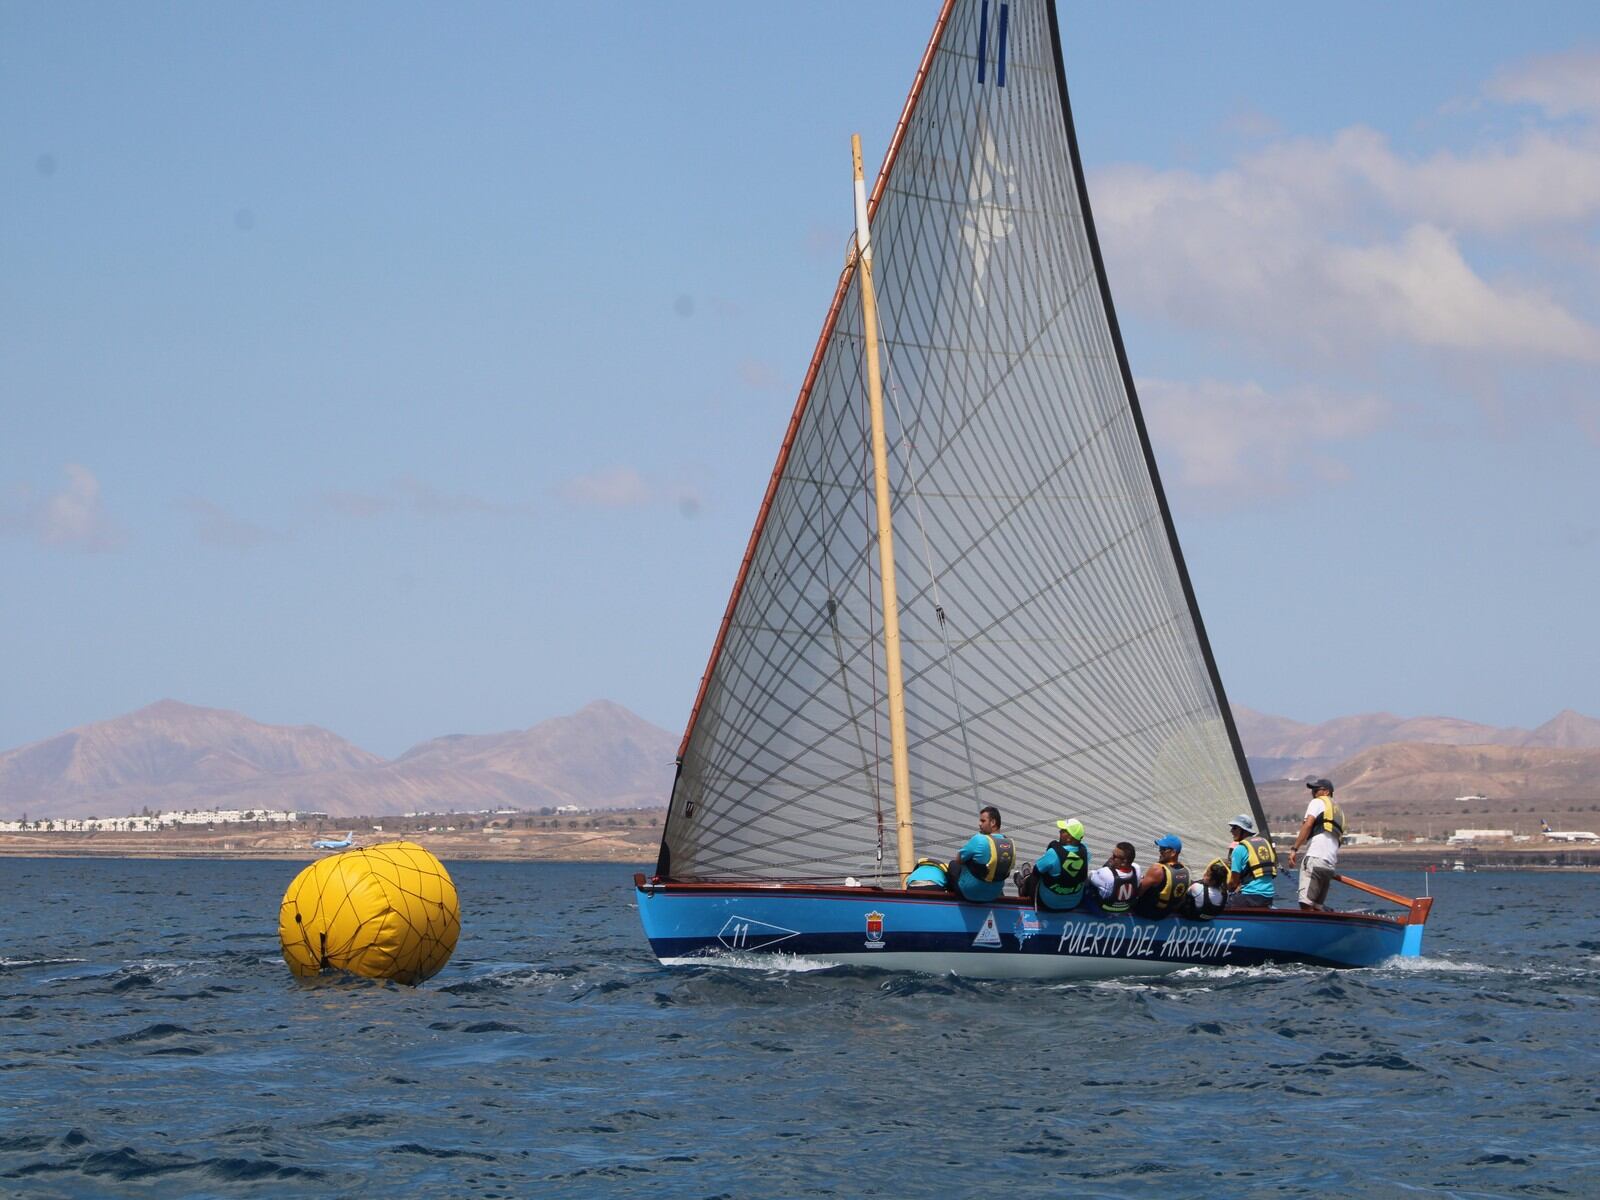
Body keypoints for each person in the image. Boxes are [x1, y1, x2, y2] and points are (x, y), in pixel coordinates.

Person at [1289, 778, 1343, 911]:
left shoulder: (1317, 802)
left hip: (1315, 859)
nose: (1313, 793)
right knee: (1317, 907)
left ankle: (1307, 931)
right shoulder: (1338, 811)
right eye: (1312, 790)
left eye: (1316, 790)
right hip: (1329, 865)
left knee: (1305, 904)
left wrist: (1294, 849)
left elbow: (1308, 824)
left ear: (1326, 792)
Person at [1017, 818, 1090, 911]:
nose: (1060, 831)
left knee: (1034, 876)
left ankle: (1023, 885)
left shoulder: (1054, 853)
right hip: (1074, 903)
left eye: (1063, 831)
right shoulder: (1085, 852)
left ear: (1069, 838)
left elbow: (1037, 869)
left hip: (1049, 902)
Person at [948, 805, 1015, 902]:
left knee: (953, 865)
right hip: (994, 895)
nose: (979, 824)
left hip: (970, 893)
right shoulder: (1010, 844)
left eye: (983, 821)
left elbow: (958, 860)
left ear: (993, 822)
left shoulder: (979, 839)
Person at [1226, 813, 1277, 909]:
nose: (1231, 831)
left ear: (1243, 829)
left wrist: (1222, 890)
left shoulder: (1239, 849)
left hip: (1250, 898)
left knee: (1218, 903)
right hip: (1268, 897)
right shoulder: (1265, 843)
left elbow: (1233, 883)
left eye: (1234, 827)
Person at [1134, 834, 1190, 918]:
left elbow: (1138, 893)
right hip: (1166, 913)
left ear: (1173, 853)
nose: (1160, 851)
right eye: (1160, 848)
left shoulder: (1157, 869)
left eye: (1163, 849)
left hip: (1146, 911)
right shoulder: (1186, 871)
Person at [1086, 841, 1140, 914]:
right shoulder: (1136, 869)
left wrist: (1107, 868)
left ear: (1124, 861)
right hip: (1123, 909)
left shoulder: (1106, 873)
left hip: (1101, 910)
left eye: (1114, 856)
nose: (1111, 857)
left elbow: (1090, 875)